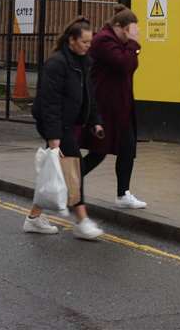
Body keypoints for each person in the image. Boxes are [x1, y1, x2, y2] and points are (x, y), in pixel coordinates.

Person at [24, 17, 105, 240]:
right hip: (56, 125)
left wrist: (95, 120)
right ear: (72, 40)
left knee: (55, 173)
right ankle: (81, 221)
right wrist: (53, 137)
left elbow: (90, 96)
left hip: (69, 124)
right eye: (85, 42)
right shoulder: (56, 64)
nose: (89, 46)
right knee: (72, 170)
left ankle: (33, 218)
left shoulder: (84, 62)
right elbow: (49, 103)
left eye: (91, 42)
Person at [84, 7, 145, 208]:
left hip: (121, 107)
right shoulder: (103, 40)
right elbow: (124, 64)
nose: (131, 36)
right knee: (98, 152)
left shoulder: (120, 44)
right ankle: (66, 181)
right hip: (104, 109)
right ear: (118, 26)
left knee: (127, 149)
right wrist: (135, 44)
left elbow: (129, 66)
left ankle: (123, 194)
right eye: (129, 31)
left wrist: (131, 46)